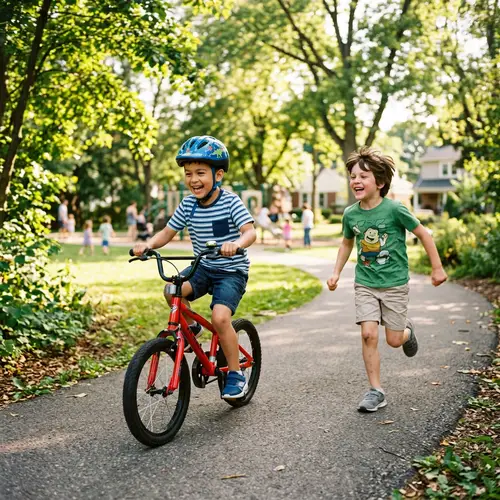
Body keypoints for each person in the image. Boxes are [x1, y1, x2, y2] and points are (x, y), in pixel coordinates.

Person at [133, 135, 257, 399]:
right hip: (202, 268)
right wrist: (148, 245)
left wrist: (236, 243)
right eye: (188, 173)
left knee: (221, 318)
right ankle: (192, 329)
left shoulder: (230, 201)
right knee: (171, 291)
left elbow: (250, 232)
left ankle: (235, 374)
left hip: (231, 271)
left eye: (201, 172)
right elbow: (167, 232)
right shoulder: (188, 204)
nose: (193, 179)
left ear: (218, 174)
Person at [326, 146, 447, 412]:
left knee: (393, 340)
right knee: (368, 334)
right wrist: (336, 272)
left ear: (380, 182)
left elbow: (424, 234)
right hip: (365, 284)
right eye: (353, 176)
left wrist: (437, 268)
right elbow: (347, 243)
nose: (356, 181)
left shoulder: (395, 209)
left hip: (394, 284)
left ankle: (407, 330)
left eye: (363, 176)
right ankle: (376, 390)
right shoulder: (351, 214)